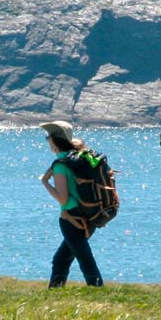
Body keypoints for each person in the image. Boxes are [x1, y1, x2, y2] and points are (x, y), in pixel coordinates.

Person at [38, 121, 104, 288]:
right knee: (62, 258)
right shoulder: (77, 159)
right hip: (89, 214)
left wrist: (45, 182)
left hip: (71, 217)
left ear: (54, 140)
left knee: (84, 259)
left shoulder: (60, 165)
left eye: (48, 137)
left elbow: (63, 199)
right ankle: (55, 291)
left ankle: (97, 288)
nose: (47, 141)